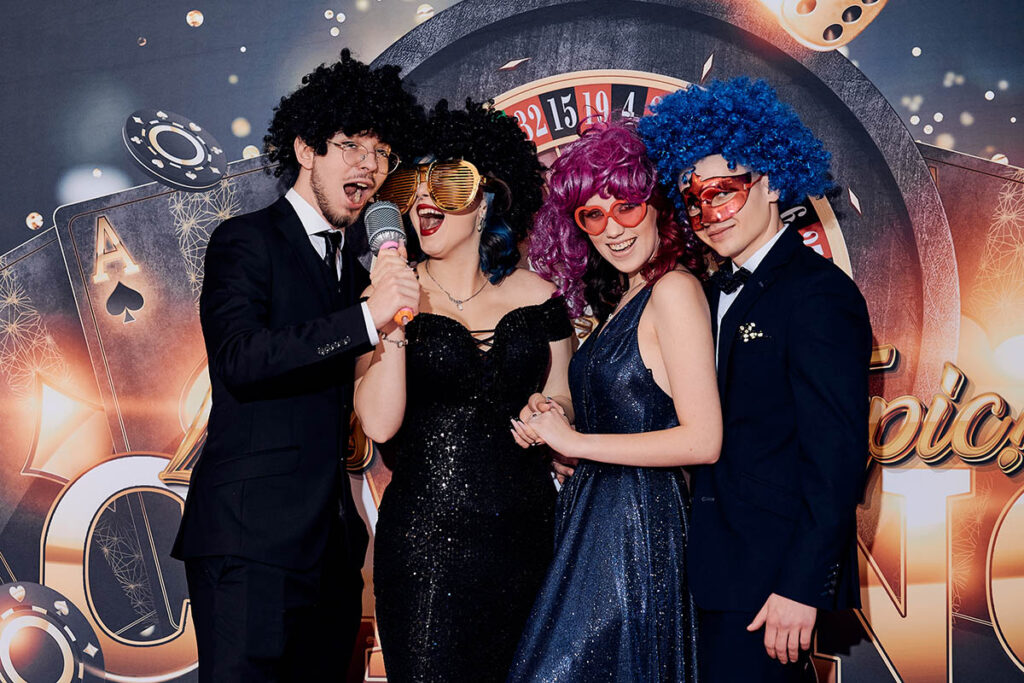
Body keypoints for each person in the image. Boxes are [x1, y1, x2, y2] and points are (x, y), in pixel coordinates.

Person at [171, 50, 424, 681]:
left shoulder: (355, 271)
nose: (369, 166)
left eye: (381, 152)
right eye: (351, 145)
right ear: (306, 148)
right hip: (250, 543)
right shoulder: (245, 239)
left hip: (330, 554)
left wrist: (384, 318)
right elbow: (240, 359)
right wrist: (365, 319)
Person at [639, 77, 872, 682]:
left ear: (770, 182)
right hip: (704, 569)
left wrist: (801, 586)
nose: (707, 214)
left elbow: (837, 457)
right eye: (693, 200)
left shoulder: (818, 294)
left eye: (724, 191)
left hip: (772, 584)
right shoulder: (706, 291)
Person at [354, 99, 573, 682]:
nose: (424, 198)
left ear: (486, 200)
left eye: (447, 183)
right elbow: (378, 425)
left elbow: (563, 394)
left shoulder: (540, 297)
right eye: (413, 185)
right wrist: (393, 318)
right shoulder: (381, 299)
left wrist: (550, 410)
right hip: (425, 547)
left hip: (528, 539)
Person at [506, 119, 721, 682]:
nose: (612, 229)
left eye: (626, 206)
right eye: (592, 215)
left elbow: (703, 440)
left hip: (637, 531)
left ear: (657, 206)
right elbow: (625, 410)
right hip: (596, 523)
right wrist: (556, 417)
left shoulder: (674, 290)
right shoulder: (627, 298)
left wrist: (577, 442)